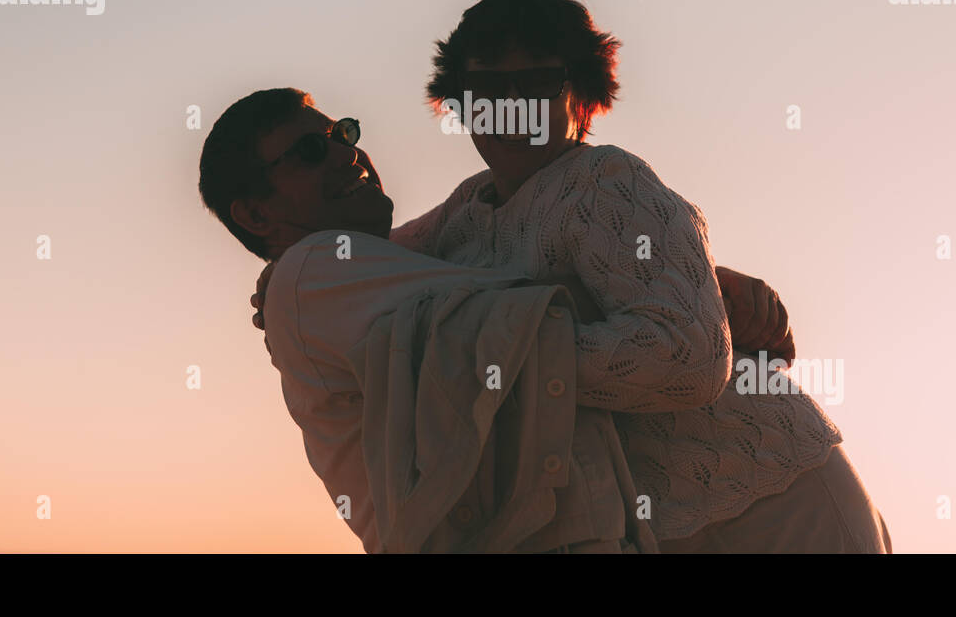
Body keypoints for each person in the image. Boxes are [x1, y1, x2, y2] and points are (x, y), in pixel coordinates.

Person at [253, 0, 891, 553]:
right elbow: (376, 260)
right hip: (668, 530)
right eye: (487, 87)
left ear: (583, 99)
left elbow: (688, 359)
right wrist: (286, 270)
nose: (510, 105)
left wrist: (510, 362)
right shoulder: (466, 213)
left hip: (777, 497)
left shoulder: (607, 181)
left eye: (537, 84)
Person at [198, 89, 660, 552]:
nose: (347, 152)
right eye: (311, 152)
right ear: (257, 214)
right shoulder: (312, 269)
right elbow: (548, 311)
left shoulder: (350, 270)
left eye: (342, 133)